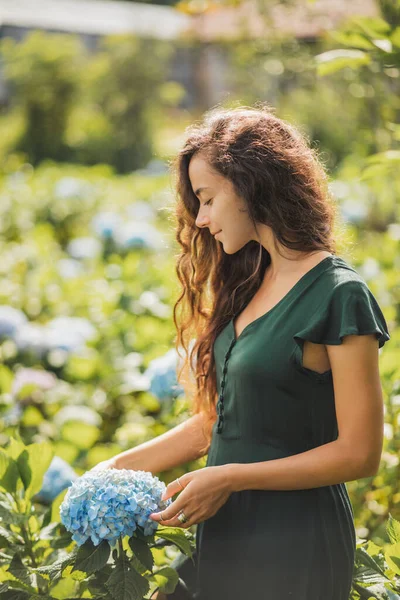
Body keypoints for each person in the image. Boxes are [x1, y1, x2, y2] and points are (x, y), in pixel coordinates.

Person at [95, 104, 391, 600]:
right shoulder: (250, 282)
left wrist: (230, 477)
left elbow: (360, 454)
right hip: (226, 534)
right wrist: (111, 471)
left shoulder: (339, 294)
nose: (203, 219)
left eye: (207, 199)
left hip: (294, 543)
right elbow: (218, 423)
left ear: (251, 184)